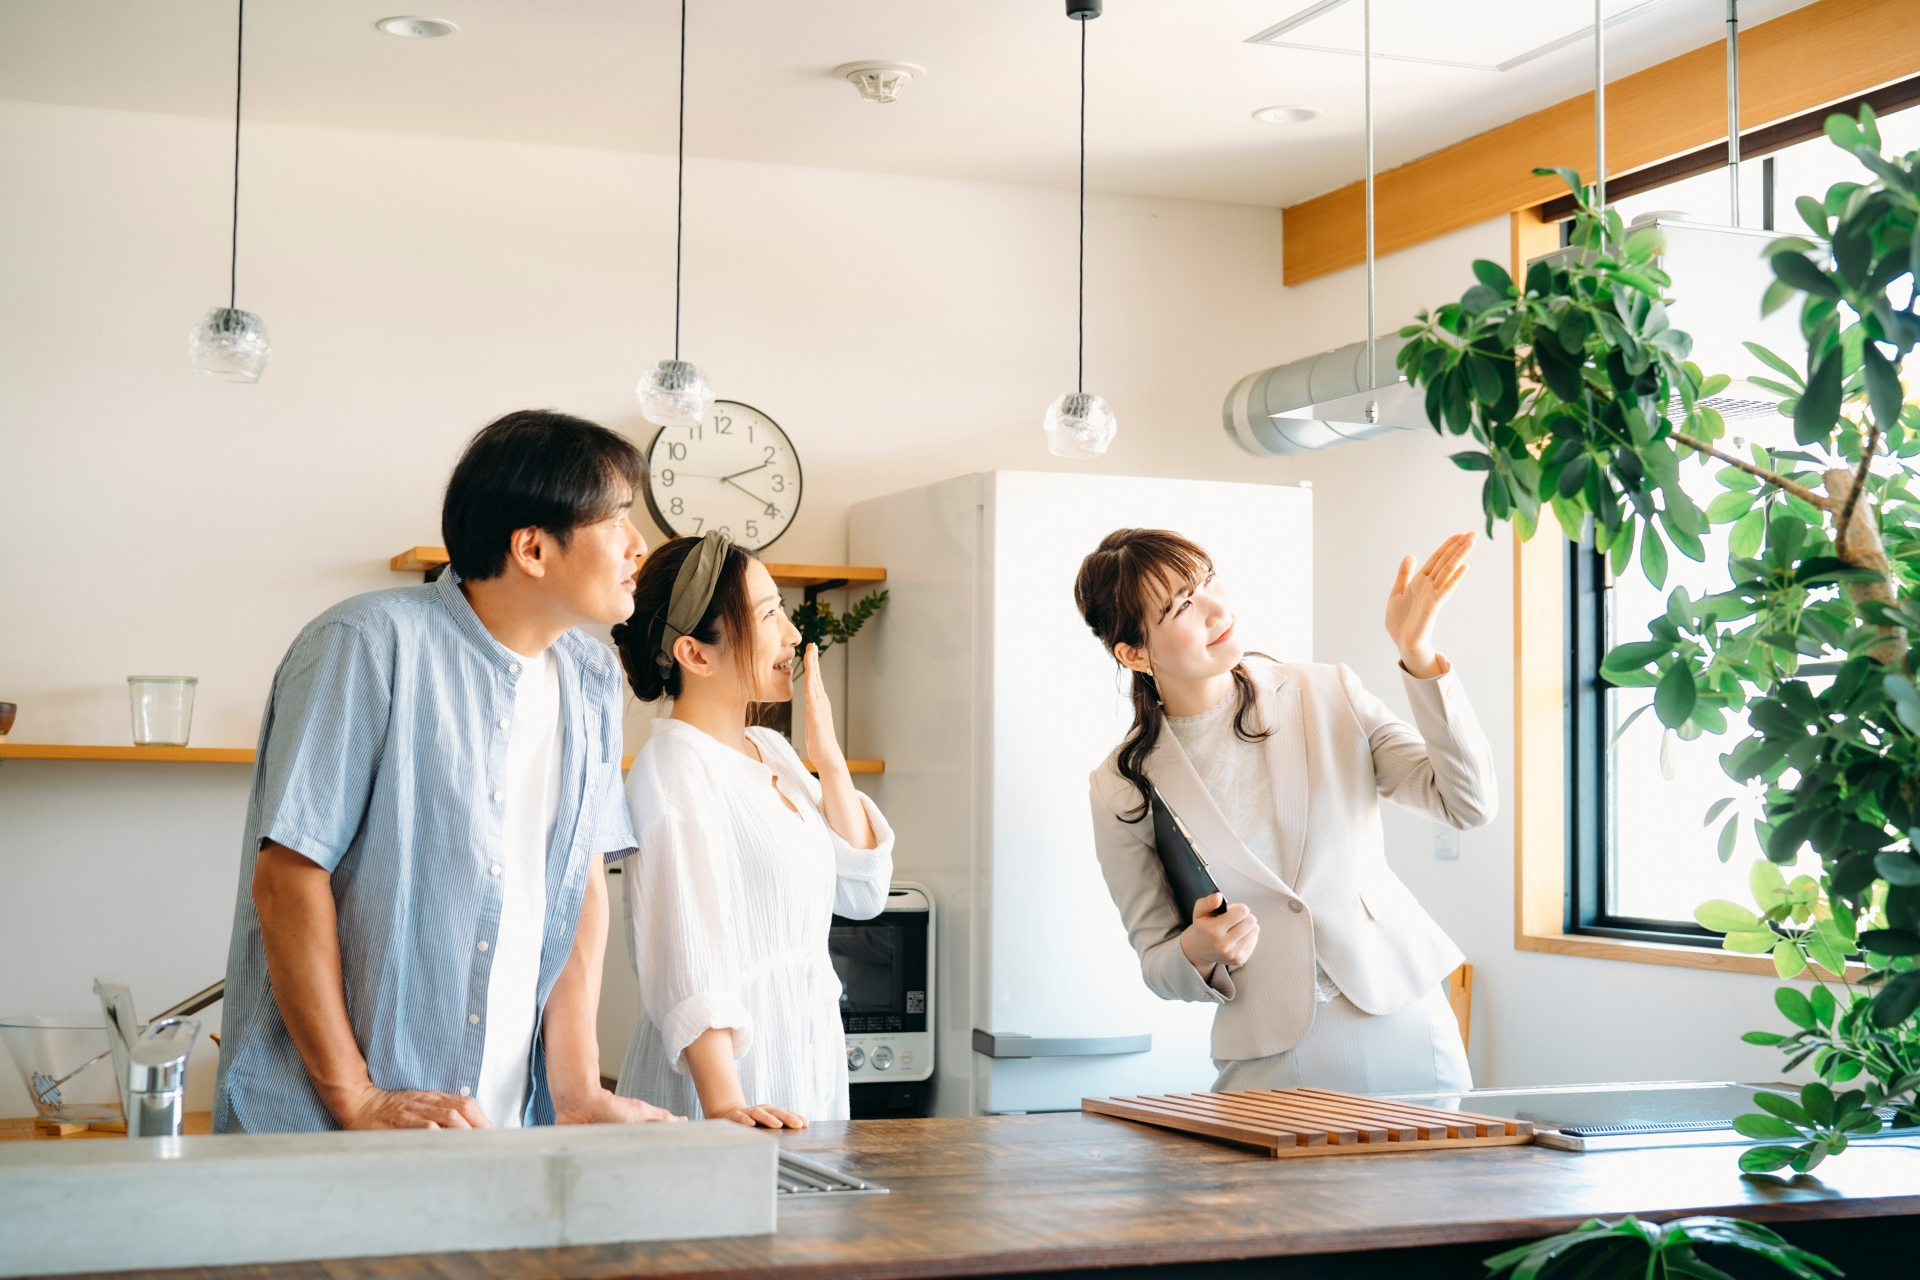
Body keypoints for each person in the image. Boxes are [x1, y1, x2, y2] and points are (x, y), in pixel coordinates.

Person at [215, 410, 679, 1132]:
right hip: (325, 1125)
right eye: (617, 519)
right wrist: (357, 1098)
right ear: (532, 547)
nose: (639, 544)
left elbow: (580, 885)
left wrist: (578, 1093)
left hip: (501, 1126)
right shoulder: (366, 642)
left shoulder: (591, 677)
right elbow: (287, 881)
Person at [1075, 527, 1495, 1095]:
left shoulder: (1327, 691)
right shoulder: (1122, 786)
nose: (1216, 608)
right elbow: (1156, 961)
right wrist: (1198, 950)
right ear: (1134, 653)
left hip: (1401, 1014)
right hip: (1269, 1049)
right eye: (1182, 605)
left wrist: (1418, 655)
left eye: (1208, 581)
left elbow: (1468, 803)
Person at [609, 532, 893, 1126]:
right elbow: (687, 965)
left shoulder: (771, 749)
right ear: (696, 655)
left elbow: (864, 893)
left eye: (781, 608)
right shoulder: (673, 772)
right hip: (730, 1083)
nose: (792, 633)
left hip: (806, 1062)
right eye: (767, 615)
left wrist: (828, 757)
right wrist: (727, 1108)